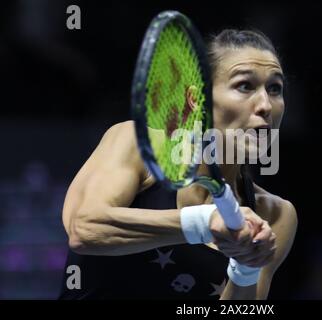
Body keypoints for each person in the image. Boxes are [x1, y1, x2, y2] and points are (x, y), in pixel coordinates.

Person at [59, 29, 298, 300]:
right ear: (197, 99)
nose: (265, 105)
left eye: (275, 88)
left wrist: (246, 266)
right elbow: (85, 229)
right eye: (245, 85)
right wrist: (204, 222)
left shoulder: (275, 214)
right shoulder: (139, 145)